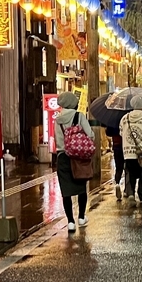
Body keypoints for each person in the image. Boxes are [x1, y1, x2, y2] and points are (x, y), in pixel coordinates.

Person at [52, 92, 93, 232]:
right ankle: (81, 217)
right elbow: (91, 134)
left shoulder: (57, 120)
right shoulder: (79, 116)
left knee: (66, 190)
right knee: (81, 186)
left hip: (63, 157)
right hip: (78, 157)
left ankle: (70, 221)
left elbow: (56, 140)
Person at [105, 123, 126, 200]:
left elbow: (108, 133)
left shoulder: (112, 120)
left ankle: (117, 183)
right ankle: (127, 190)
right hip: (126, 146)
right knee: (127, 168)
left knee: (118, 168)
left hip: (116, 145)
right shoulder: (126, 118)